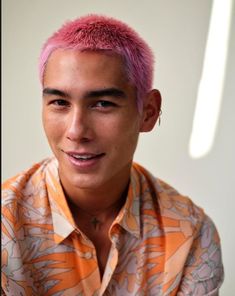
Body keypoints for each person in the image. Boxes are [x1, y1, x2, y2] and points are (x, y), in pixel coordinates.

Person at [2, 14, 224, 295]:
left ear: (148, 112)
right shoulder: (5, 224)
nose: (76, 131)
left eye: (103, 104)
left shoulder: (192, 235)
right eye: (59, 102)